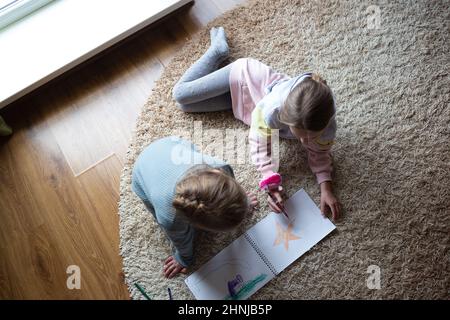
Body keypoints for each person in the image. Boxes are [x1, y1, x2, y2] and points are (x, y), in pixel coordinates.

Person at [172, 27, 341, 220]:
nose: (305, 142)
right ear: (284, 118)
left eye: (312, 136)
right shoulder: (273, 110)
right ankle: (218, 50)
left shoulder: (326, 126)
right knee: (180, 95)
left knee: (186, 107)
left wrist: (325, 187)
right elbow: (258, 142)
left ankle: (229, 93)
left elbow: (320, 154)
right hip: (243, 77)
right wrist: (270, 179)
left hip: (243, 106)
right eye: (300, 135)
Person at [131, 136, 258, 278]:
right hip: (142, 174)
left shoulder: (221, 167)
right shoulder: (170, 218)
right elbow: (181, 240)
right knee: (161, 216)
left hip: (169, 145)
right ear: (196, 224)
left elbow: (229, 188)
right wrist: (183, 258)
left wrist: (244, 202)